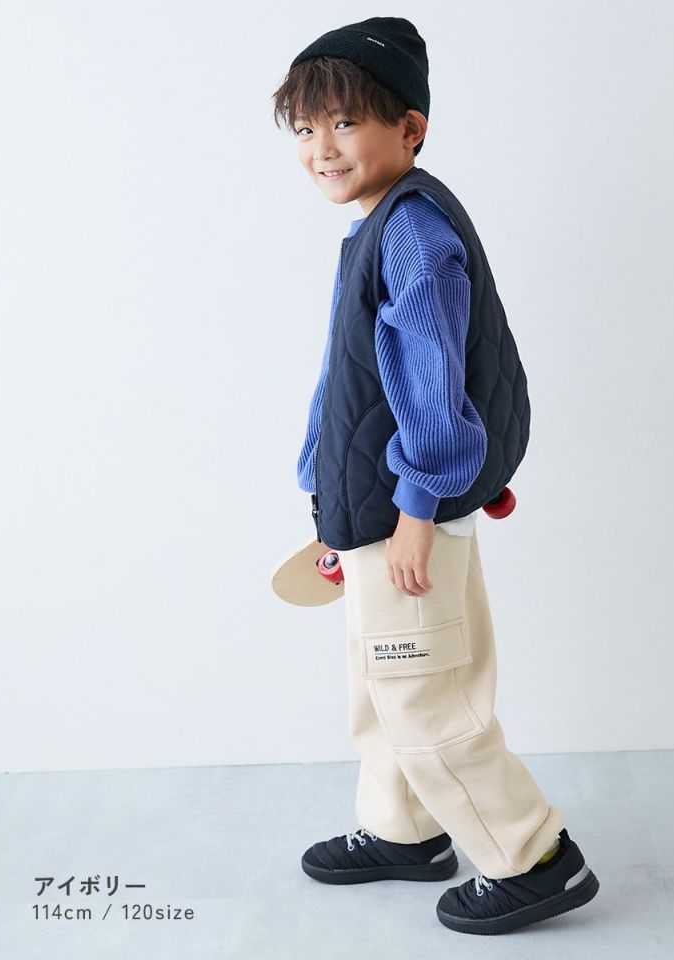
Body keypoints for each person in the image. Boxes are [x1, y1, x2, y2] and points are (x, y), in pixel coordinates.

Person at [271, 16, 599, 936]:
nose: (322, 148)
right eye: (306, 128)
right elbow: (353, 384)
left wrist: (416, 506)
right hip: (373, 513)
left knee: (425, 694)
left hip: (403, 513)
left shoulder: (412, 233)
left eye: (345, 122)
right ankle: (404, 830)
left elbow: (432, 382)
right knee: (380, 686)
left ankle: (534, 858)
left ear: (410, 128)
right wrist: (332, 511)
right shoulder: (377, 229)